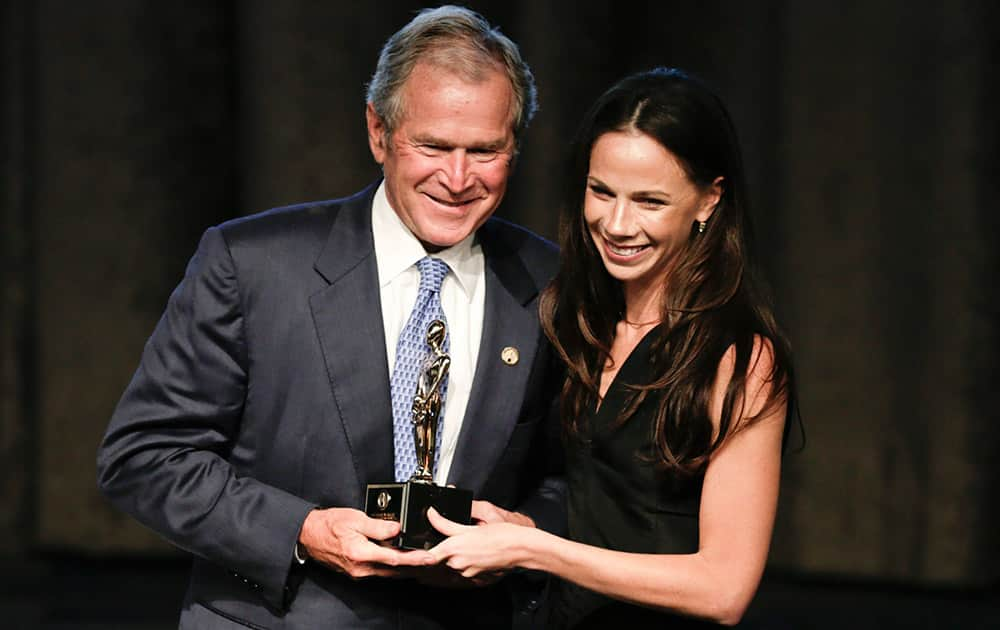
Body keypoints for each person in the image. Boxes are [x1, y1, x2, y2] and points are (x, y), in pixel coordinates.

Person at [96, 6, 564, 629]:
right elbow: (144, 455)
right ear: (378, 132)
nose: (457, 178)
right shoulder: (253, 264)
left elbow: (576, 477)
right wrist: (303, 530)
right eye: (433, 145)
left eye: (485, 151)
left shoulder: (549, 282)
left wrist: (529, 530)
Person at [428, 67, 797, 627]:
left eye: (649, 201)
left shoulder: (738, 359)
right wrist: (520, 528)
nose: (617, 224)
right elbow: (594, 504)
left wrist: (534, 551)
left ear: (708, 202)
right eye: (601, 192)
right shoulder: (579, 321)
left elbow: (723, 588)